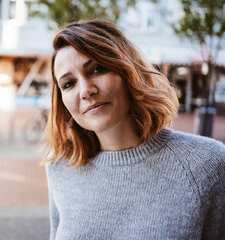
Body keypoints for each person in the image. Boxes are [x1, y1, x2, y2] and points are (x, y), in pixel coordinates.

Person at [43, 19, 225, 240]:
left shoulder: (207, 165)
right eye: (68, 84)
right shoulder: (60, 167)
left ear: (128, 71)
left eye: (97, 69)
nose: (85, 90)